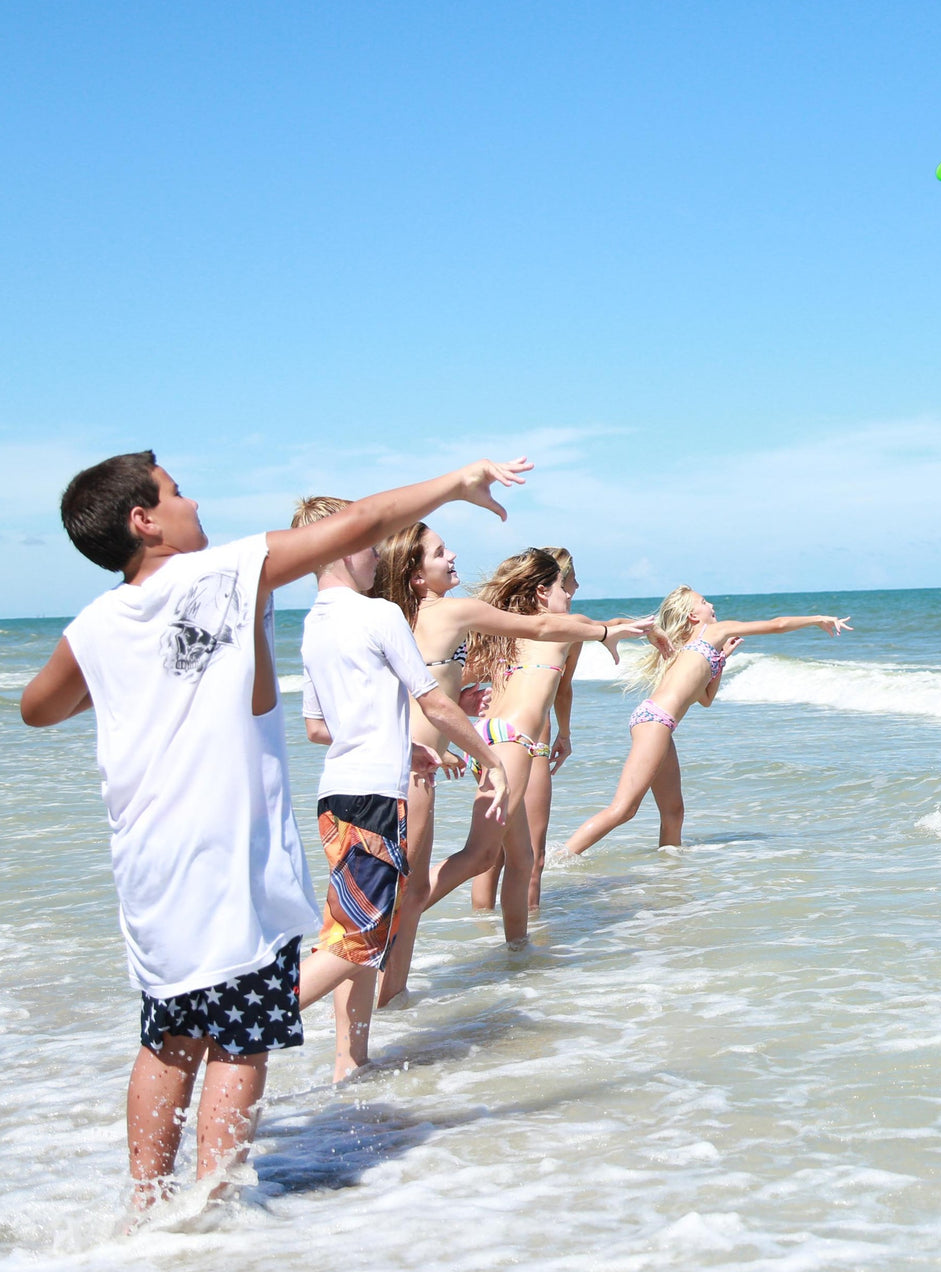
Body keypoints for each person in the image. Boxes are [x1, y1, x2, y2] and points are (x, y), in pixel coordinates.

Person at [19, 449, 531, 1210]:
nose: (193, 503)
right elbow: (358, 522)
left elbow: (38, 707)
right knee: (240, 1036)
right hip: (227, 861)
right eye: (176, 492)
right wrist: (456, 483)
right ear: (144, 521)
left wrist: (142, 681)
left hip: (146, 865)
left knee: (169, 1034)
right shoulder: (222, 572)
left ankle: (149, 1210)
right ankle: (215, 1210)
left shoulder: (96, 625)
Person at [371, 528, 650, 996]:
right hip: (511, 744)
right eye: (564, 586)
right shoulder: (487, 617)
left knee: (520, 857)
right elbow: (549, 629)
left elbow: (432, 680)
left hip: (474, 741)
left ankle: (518, 955)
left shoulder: (436, 621)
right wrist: (610, 631)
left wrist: (455, 715)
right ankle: (393, 927)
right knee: (477, 857)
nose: (570, 594)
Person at [290, 497, 508, 1082]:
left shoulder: (313, 626)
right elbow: (432, 699)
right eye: (367, 540)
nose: (375, 552)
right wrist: (491, 758)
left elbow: (317, 728)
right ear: (340, 548)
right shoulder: (379, 613)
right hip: (374, 798)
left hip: (335, 796)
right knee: (359, 937)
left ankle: (350, 1063)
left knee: (355, 931)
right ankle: (258, 1018)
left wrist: (401, 745)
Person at [564, 587, 850, 855]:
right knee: (624, 808)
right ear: (693, 615)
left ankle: (669, 873)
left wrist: (721, 660)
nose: (711, 604)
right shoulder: (714, 631)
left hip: (657, 722)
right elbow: (776, 624)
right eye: (703, 602)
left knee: (673, 813)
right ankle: (557, 858)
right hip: (655, 721)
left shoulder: (697, 647)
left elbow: (706, 698)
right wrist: (817, 618)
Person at [470, 545, 586, 915]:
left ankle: (482, 930)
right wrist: (564, 735)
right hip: (527, 743)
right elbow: (562, 690)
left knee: (492, 856)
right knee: (526, 857)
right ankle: (528, 935)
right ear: (549, 587)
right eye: (567, 584)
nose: (574, 589)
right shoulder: (563, 629)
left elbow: (461, 675)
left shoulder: (503, 629)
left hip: (486, 736)